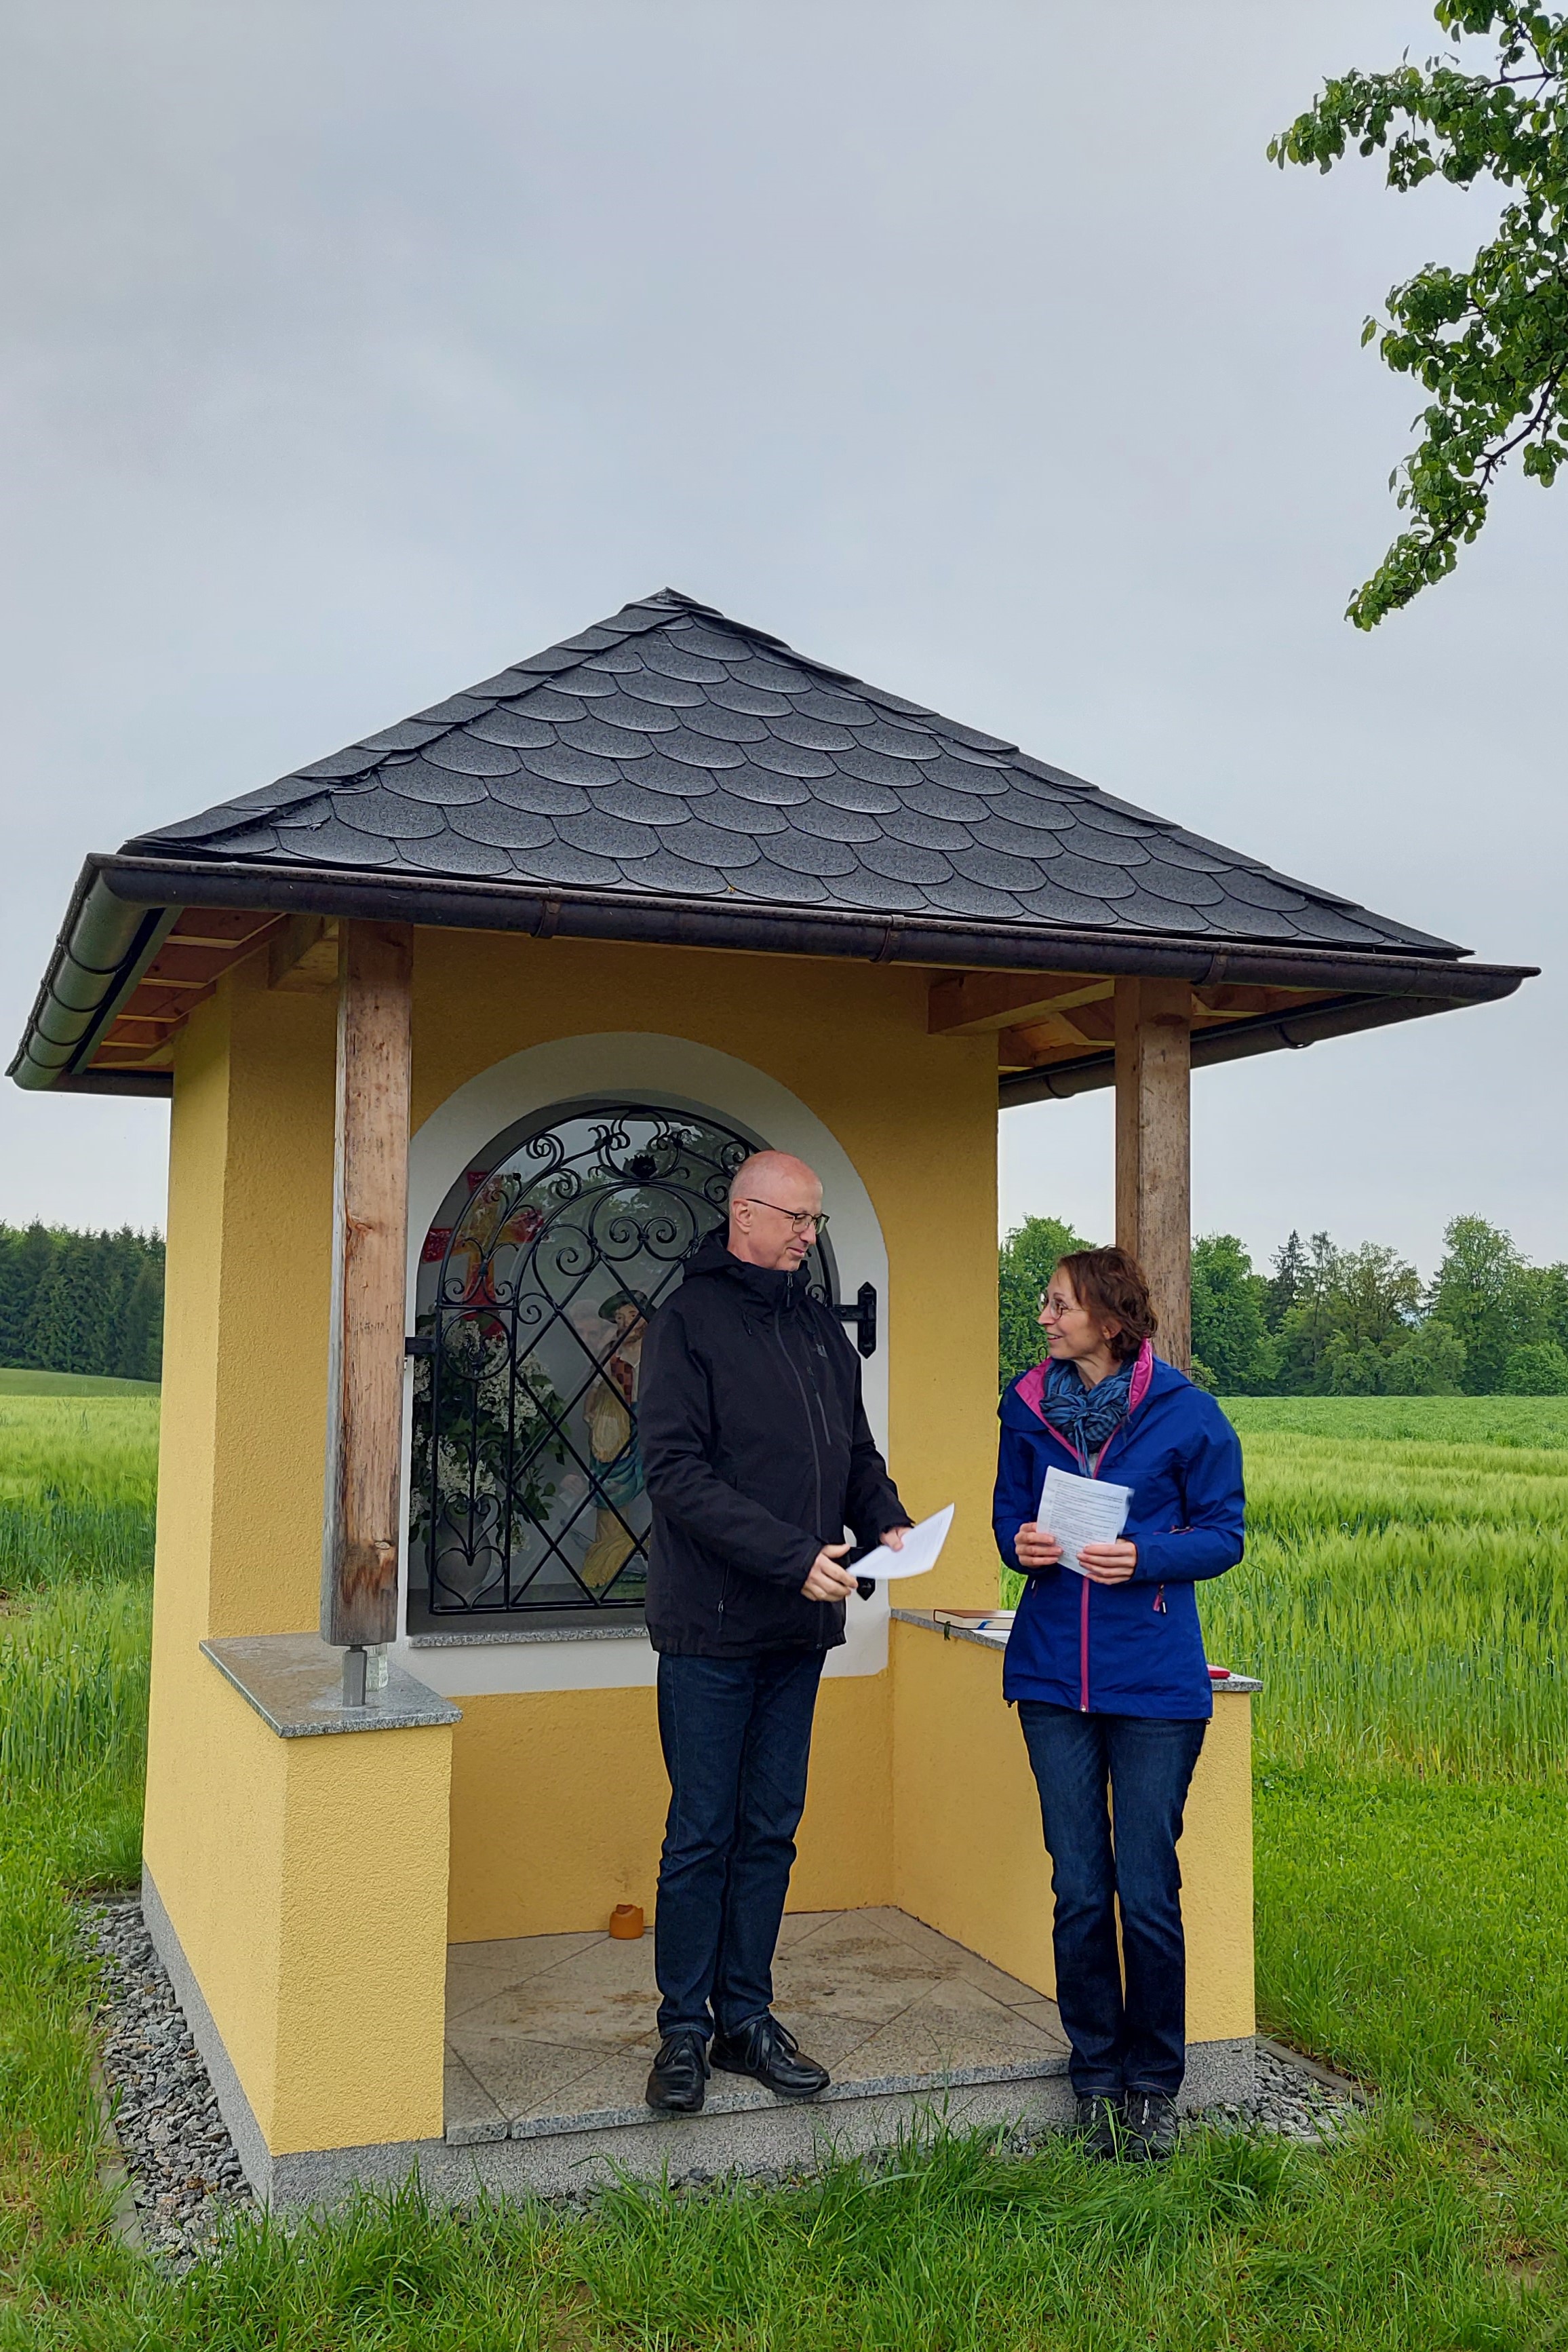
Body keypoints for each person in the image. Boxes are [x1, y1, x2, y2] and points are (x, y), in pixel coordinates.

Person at [637, 1149, 912, 2114]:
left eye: (816, 1222)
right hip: (709, 1627)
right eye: (795, 1219)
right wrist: (791, 1553)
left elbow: (855, 1454)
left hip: (799, 1630)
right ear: (743, 1216)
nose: (807, 1235)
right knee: (702, 1832)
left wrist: (888, 1520)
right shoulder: (688, 1324)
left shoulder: (820, 1332)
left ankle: (744, 2020)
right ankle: (681, 2032)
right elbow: (672, 1474)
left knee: (769, 1830)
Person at [993, 1247, 1244, 2163]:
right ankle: (1095, 2077)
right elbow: (1005, 1519)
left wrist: (1145, 1558)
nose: (1045, 1319)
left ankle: (1155, 2087)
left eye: (1058, 1305)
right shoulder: (1025, 1410)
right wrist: (1020, 1543)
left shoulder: (1189, 1414)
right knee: (1078, 1889)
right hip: (1053, 1679)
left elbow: (1225, 1536)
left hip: (1154, 1687)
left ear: (1108, 1318)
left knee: (1146, 1892)